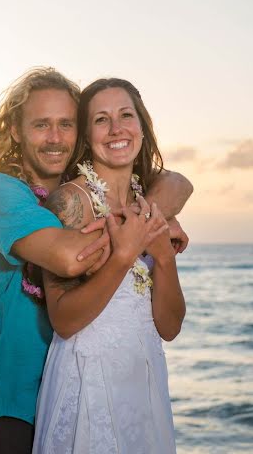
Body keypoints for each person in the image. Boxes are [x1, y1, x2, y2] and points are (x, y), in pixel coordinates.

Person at [0, 68, 192, 454]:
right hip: (23, 397)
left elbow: (178, 182)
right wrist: (146, 226)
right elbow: (72, 258)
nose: (56, 138)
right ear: (16, 131)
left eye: (66, 124)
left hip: (134, 386)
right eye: (41, 125)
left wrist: (155, 231)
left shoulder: (120, 193)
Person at [32, 78, 186, 453]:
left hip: (144, 380)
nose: (117, 129)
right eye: (101, 120)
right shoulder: (69, 203)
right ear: (87, 135)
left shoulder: (150, 204)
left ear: (141, 126)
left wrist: (163, 256)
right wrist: (122, 256)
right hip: (88, 380)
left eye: (125, 115)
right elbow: (65, 322)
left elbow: (169, 327)